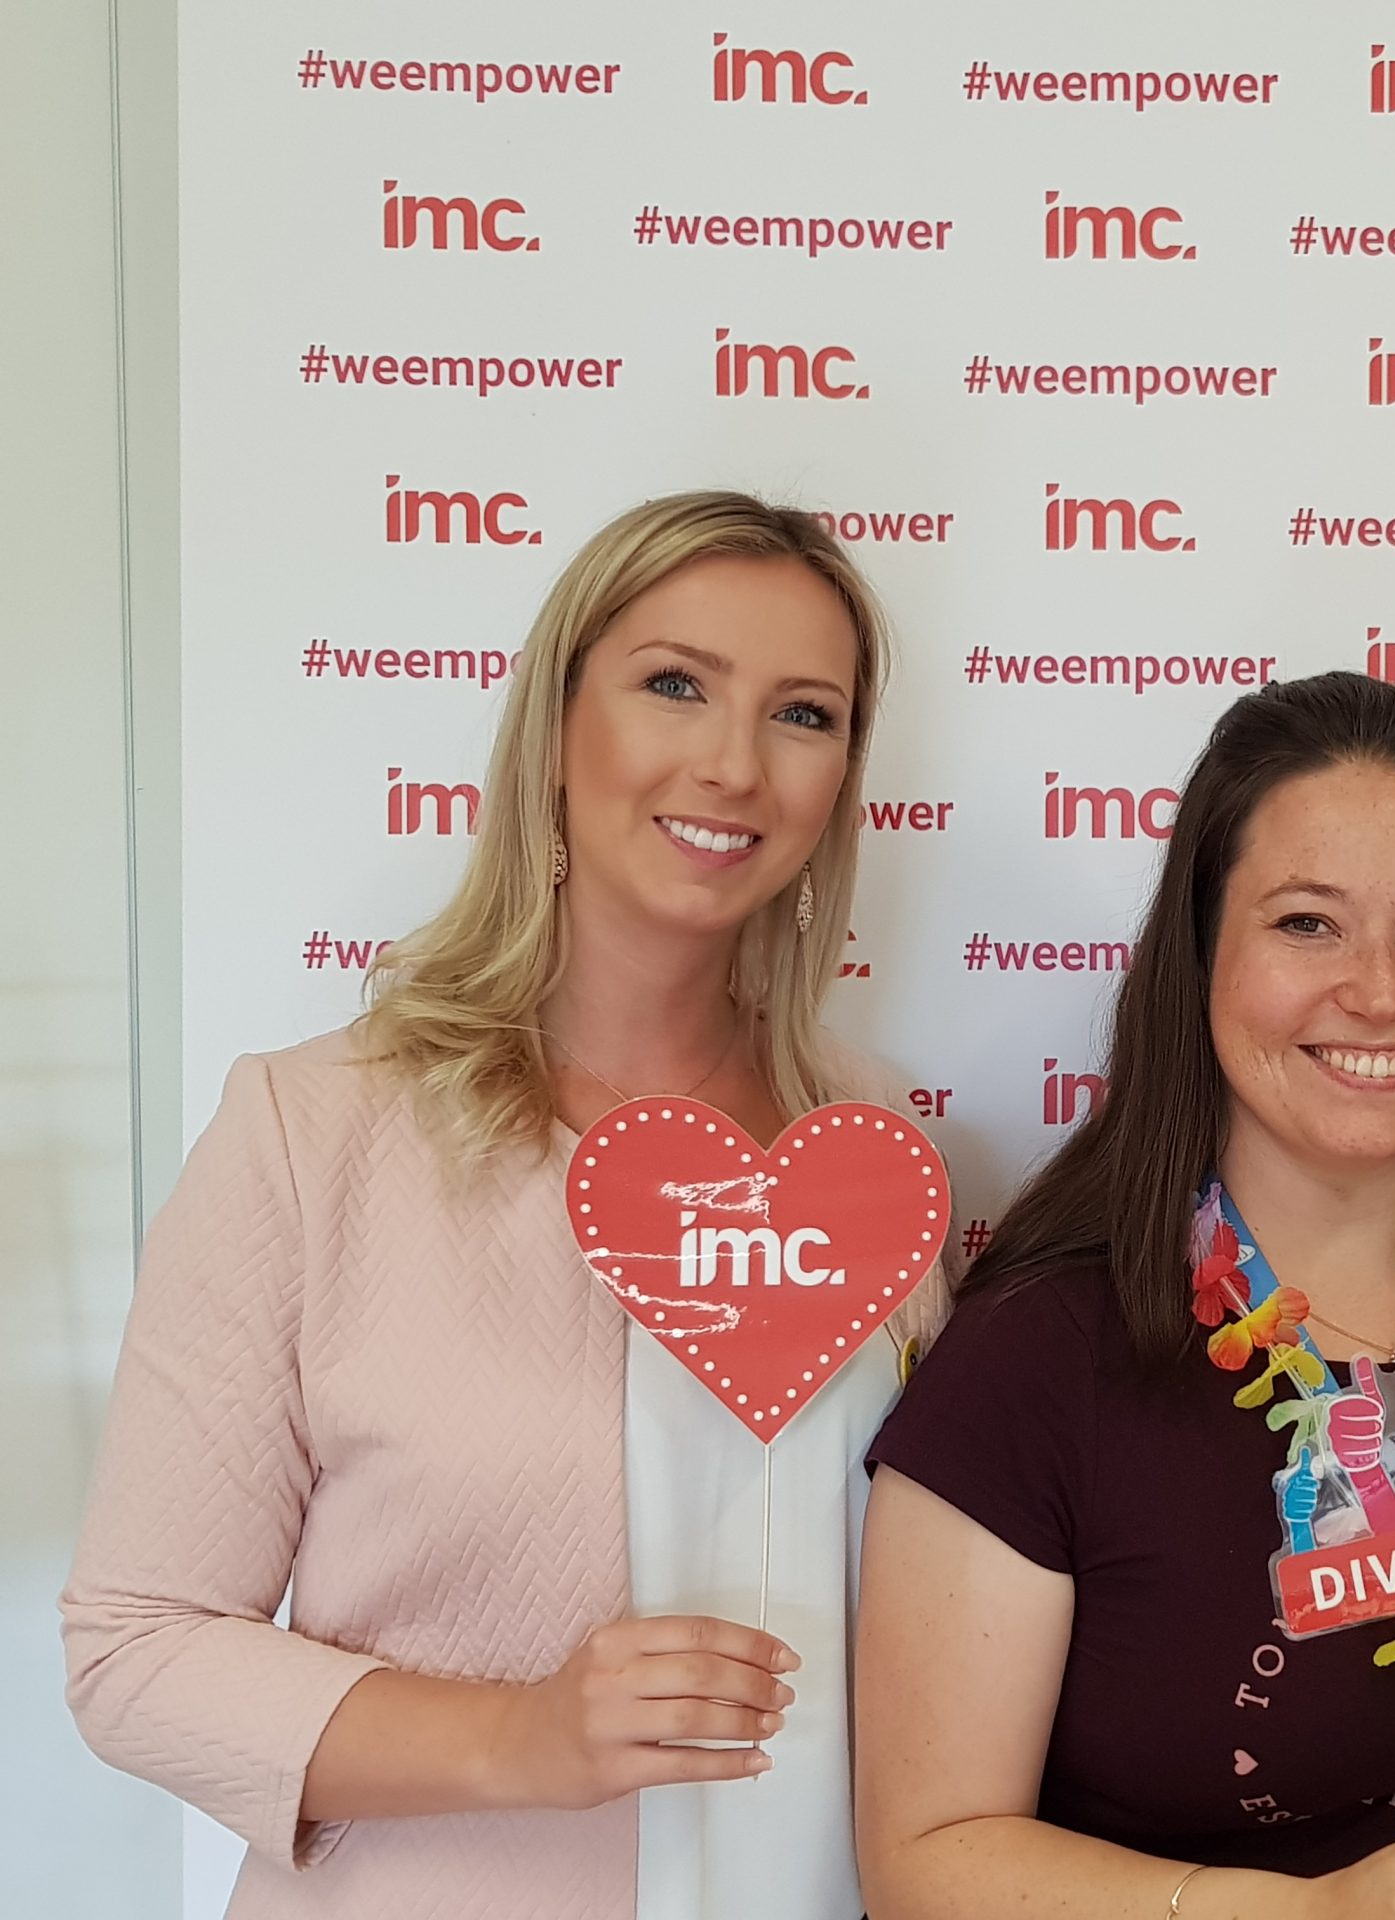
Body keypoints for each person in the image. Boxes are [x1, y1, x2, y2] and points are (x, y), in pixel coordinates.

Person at [63, 491, 941, 1920]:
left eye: (804, 715)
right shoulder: (310, 1132)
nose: (734, 764)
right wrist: (518, 1738)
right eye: (675, 685)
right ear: (554, 725)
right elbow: (135, 1650)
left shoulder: (876, 1145)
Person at [858, 673, 1395, 1920]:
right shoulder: (1040, 1355)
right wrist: (1313, 1916)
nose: (1379, 991)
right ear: (1199, 955)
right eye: (1307, 923)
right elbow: (925, 1861)